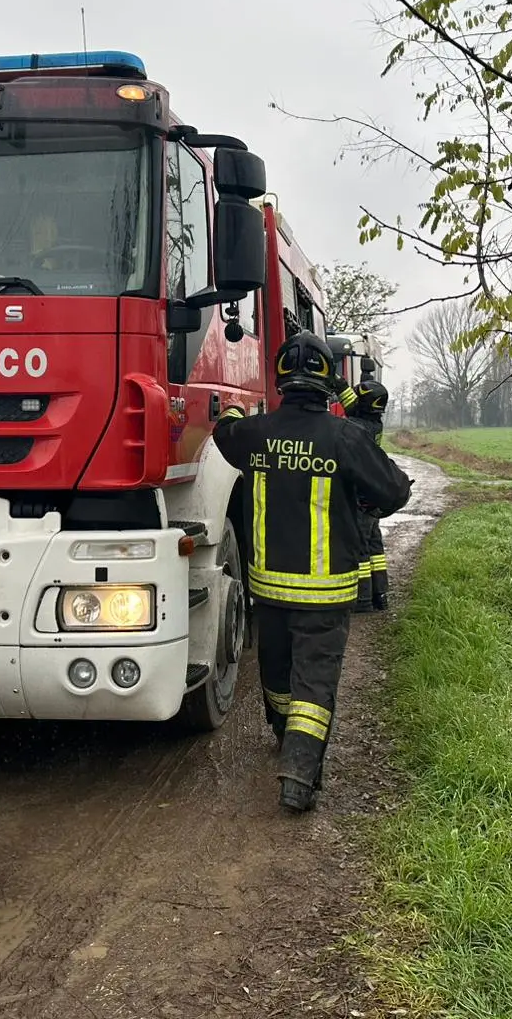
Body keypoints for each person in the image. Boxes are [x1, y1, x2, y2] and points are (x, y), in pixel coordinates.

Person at [212, 332, 413, 814]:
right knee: (314, 684)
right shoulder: (345, 438)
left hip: (269, 593)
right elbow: (394, 491)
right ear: (328, 382)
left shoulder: (255, 434)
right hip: (326, 595)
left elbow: (225, 431)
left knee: (278, 677)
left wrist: (234, 410)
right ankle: (299, 777)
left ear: (281, 379)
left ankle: (285, 735)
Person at [343, 378, 393, 611]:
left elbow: (343, 422)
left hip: (360, 498)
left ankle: (362, 599)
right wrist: (340, 385)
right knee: (374, 546)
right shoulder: (373, 424)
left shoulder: (357, 427)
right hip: (372, 496)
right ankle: (379, 594)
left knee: (360, 545)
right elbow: (352, 409)